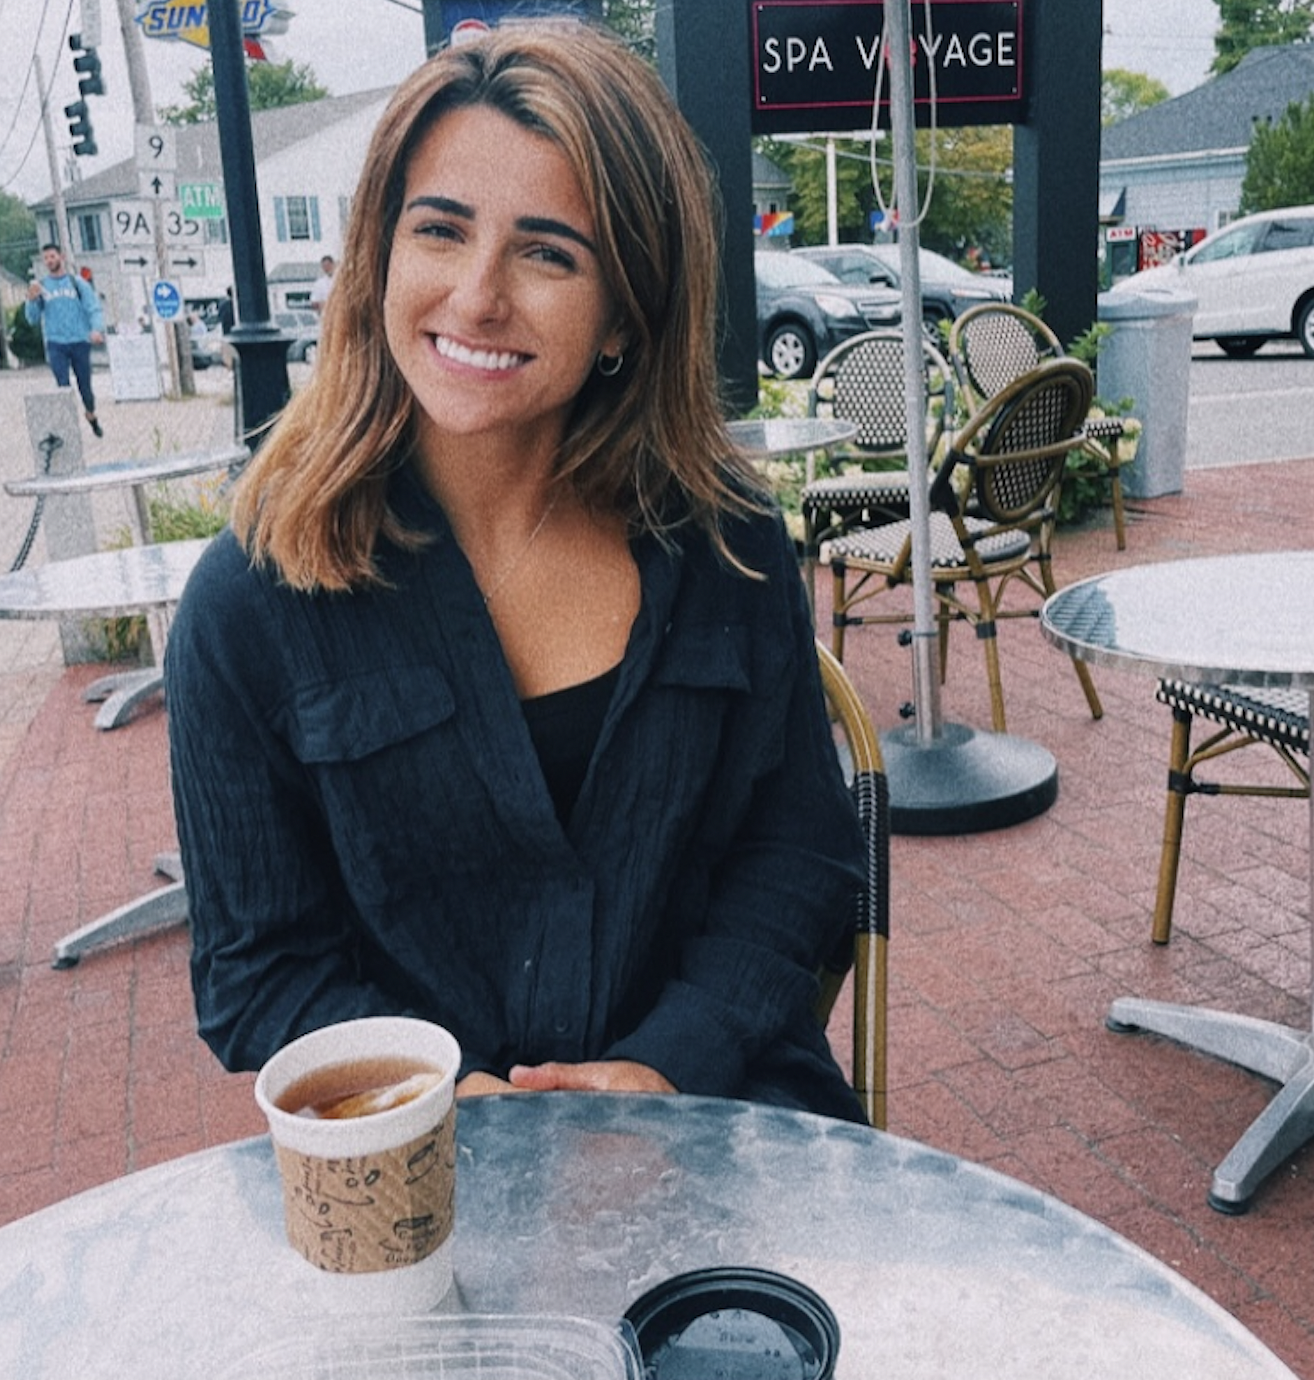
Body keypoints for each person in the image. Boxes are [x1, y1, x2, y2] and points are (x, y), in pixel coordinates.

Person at [165, 23, 866, 1122]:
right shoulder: (250, 605)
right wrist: (452, 1099)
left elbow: (802, 856)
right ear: (379, 256)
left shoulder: (726, 545)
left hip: (722, 1116)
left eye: (548, 253)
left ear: (626, 310)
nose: (478, 295)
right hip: (416, 1154)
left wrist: (667, 1064)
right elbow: (258, 970)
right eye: (440, 230)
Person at [24, 244, 105, 437]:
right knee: (62, 385)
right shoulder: (42, 286)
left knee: (85, 385)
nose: (49, 261)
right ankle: (69, 426)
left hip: (79, 341)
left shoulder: (77, 283)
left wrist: (96, 329)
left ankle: (91, 415)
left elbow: (93, 308)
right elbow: (32, 318)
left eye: (52, 256)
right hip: (56, 343)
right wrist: (31, 300)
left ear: (61, 257)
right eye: (46, 258)